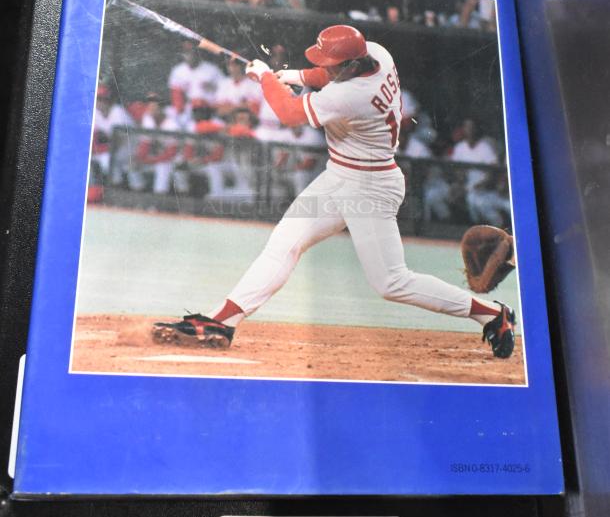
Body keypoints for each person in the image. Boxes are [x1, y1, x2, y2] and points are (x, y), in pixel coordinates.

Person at [153, 25, 516, 359]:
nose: (327, 68)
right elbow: (324, 74)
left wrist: (265, 78)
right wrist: (290, 75)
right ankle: (223, 320)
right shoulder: (376, 53)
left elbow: (290, 113)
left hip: (370, 187)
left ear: (353, 64)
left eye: (334, 64)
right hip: (339, 174)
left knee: (391, 282)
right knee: (284, 243)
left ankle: (495, 315)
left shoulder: (353, 95)